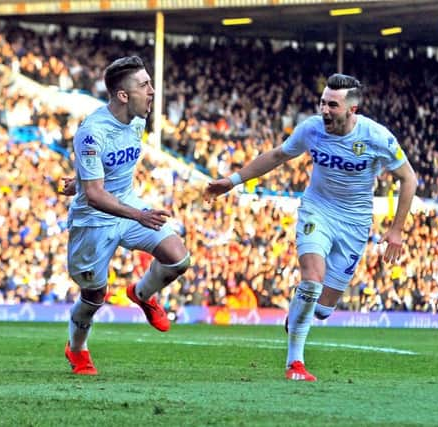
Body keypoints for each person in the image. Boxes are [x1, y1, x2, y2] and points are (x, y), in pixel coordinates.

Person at [204, 73, 417, 381]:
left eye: (332, 105)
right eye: (322, 103)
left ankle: (300, 314)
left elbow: (408, 178)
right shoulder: (312, 129)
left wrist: (396, 230)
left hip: (355, 222)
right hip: (317, 210)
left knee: (323, 308)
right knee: (312, 280)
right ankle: (295, 363)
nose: (325, 110)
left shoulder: (376, 137)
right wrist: (233, 181)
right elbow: (278, 155)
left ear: (352, 110)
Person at [61, 56, 190, 375]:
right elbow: (94, 194)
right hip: (93, 220)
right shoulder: (91, 132)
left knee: (178, 258)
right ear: (123, 95)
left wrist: (80, 178)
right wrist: (138, 214)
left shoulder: (137, 120)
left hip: (128, 207)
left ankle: (142, 294)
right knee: (94, 296)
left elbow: (107, 169)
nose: (152, 91)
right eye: (144, 85)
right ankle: (77, 349)